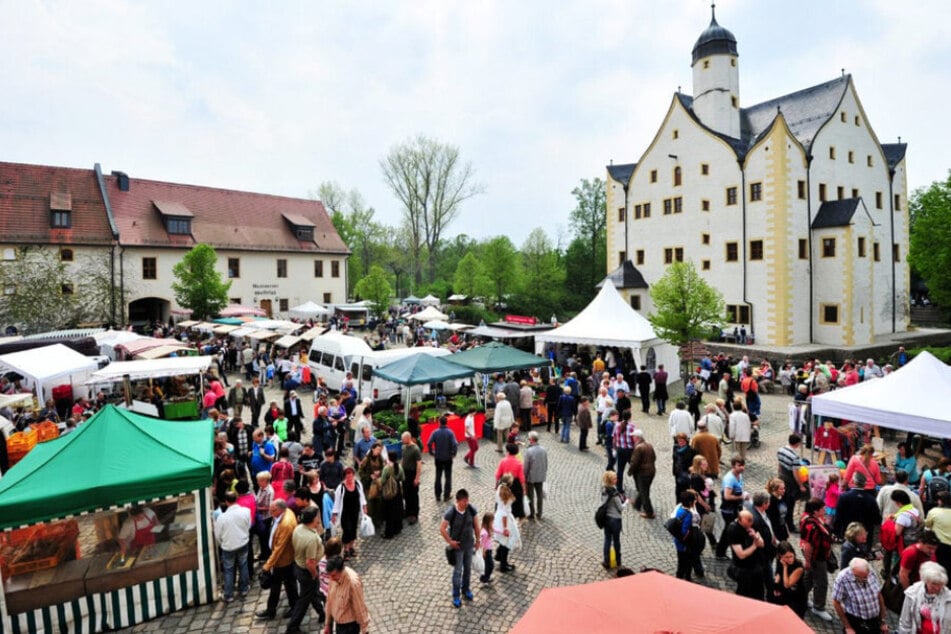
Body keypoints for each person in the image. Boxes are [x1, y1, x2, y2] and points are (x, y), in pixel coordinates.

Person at [256, 499, 300, 620]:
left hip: (284, 560)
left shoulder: (285, 524)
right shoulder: (284, 513)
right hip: (282, 559)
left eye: (273, 510)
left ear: (281, 509)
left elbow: (279, 549)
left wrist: (267, 565)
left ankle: (291, 607)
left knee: (287, 585)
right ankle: (272, 610)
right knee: (282, 585)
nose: (270, 512)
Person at [286, 506, 325, 633]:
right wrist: (314, 574)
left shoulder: (298, 529)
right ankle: (292, 627)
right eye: (317, 517)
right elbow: (310, 562)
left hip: (298, 566)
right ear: (313, 520)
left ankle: (321, 612)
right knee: (303, 600)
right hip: (307, 572)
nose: (319, 519)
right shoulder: (311, 538)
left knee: (313, 592)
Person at [440, 489, 480, 608]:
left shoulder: (471, 510)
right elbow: (442, 528)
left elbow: (476, 526)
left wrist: (478, 540)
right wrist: (450, 541)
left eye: (467, 500)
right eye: (464, 500)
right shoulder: (451, 512)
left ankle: (466, 589)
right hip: (458, 547)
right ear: (458, 501)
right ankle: (456, 595)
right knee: (458, 571)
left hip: (469, 545)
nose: (466, 502)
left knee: (467, 569)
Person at [800, 498, 836, 622]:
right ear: (815, 511)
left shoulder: (816, 519)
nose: (825, 510)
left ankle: (801, 597)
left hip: (819, 556)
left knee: (809, 578)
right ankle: (818, 607)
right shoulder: (811, 525)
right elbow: (808, 545)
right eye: (822, 508)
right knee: (821, 583)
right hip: (817, 558)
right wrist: (808, 561)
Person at [832, 558, 888, 634]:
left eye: (865, 577)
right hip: (856, 621)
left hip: (874, 621)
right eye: (858, 577)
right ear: (852, 571)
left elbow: (879, 596)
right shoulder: (842, 578)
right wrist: (848, 627)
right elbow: (836, 602)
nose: (862, 580)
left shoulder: (871, 572)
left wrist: (883, 621)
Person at [213, 492, 252, 603]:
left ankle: (229, 595)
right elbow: (248, 526)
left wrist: (222, 544)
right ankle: (244, 589)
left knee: (229, 570)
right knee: (243, 565)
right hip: (243, 542)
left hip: (228, 546)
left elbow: (217, 535)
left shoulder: (222, 518)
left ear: (226, 501)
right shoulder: (246, 511)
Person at [898, 560, 951, 634]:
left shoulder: (948, 596)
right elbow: (905, 621)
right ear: (925, 581)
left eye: (940, 584)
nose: (937, 588)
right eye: (934, 584)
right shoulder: (913, 593)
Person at [725, 509, 766, 600]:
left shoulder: (752, 524)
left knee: (759, 595)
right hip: (743, 569)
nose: (750, 524)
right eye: (748, 522)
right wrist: (755, 545)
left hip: (756, 565)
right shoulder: (733, 529)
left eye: (751, 521)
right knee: (744, 595)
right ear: (740, 520)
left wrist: (755, 536)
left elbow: (762, 544)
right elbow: (741, 555)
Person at [322, 556, 370, 634]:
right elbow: (329, 601)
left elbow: (359, 608)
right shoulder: (333, 578)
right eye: (329, 575)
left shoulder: (353, 584)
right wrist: (327, 624)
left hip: (350, 628)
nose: (331, 578)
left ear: (341, 571)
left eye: (333, 575)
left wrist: (365, 630)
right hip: (339, 625)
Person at [331, 467, 368, 559]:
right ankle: (346, 550)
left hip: (355, 511)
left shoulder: (358, 484)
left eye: (351, 476)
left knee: (354, 529)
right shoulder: (341, 488)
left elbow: (362, 496)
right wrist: (334, 514)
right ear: (345, 477)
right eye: (348, 476)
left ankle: (351, 547)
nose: (350, 478)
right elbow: (337, 502)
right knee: (346, 530)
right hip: (345, 512)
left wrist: (364, 507)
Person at [716, 457, 746, 560]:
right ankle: (720, 552)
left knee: (730, 530)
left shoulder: (739, 475)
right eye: (739, 465)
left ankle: (723, 550)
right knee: (729, 530)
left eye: (743, 465)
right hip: (728, 510)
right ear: (733, 466)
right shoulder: (729, 479)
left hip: (736, 507)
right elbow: (727, 496)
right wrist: (741, 497)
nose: (742, 467)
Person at [777, 434, 806, 535]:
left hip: (782, 478)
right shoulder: (795, 457)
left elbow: (779, 464)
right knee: (790, 505)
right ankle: (790, 526)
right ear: (797, 443)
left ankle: (781, 520)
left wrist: (779, 476)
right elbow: (795, 474)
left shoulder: (780, 450)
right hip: (790, 483)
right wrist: (801, 485)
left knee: (782, 501)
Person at [493, 478, 522, 573]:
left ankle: (499, 556)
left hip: (498, 517)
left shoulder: (500, 489)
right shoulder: (506, 496)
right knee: (506, 543)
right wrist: (505, 528)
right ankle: (503, 565)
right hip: (504, 521)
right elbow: (505, 515)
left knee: (503, 541)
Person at [428, 415, 458, 502]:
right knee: (448, 477)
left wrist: (431, 452)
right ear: (446, 422)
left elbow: (429, 443)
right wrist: (454, 453)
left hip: (438, 458)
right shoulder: (450, 432)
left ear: (439, 422)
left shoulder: (435, 432)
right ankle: (446, 495)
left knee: (438, 476)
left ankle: (437, 495)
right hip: (448, 458)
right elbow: (455, 444)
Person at [774, 541, 808, 618]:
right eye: (786, 557)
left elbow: (787, 584)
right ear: (780, 556)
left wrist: (785, 567)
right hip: (784, 595)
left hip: (797, 598)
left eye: (791, 556)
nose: (790, 559)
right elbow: (777, 575)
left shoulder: (798, 566)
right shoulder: (780, 561)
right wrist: (776, 588)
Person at [672, 490, 700, 581]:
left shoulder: (680, 509)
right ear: (690, 502)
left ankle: (680, 576)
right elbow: (684, 531)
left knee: (681, 561)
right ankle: (685, 578)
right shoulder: (688, 515)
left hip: (678, 541)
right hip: (684, 544)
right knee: (686, 562)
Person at [600, 470, 626, 569]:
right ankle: (618, 562)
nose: (617, 479)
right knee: (616, 541)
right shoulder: (615, 494)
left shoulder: (604, 490)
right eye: (615, 478)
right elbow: (620, 508)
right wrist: (626, 502)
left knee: (607, 539)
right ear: (611, 481)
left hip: (607, 519)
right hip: (615, 521)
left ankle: (606, 561)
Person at [628, 429, 656, 519]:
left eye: (633, 436)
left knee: (644, 492)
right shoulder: (649, 445)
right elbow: (654, 457)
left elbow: (634, 462)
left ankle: (649, 512)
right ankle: (637, 504)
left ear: (637, 437)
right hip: (651, 471)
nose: (632, 438)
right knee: (643, 489)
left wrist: (630, 471)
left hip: (643, 473)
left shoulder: (638, 448)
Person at [378, 450, 404, 539]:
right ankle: (398, 528)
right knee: (397, 510)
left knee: (389, 513)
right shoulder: (399, 467)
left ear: (389, 457)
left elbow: (382, 481)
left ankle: (389, 533)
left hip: (389, 493)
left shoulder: (386, 468)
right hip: (397, 492)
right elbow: (402, 478)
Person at [523, 431, 548, 521]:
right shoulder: (543, 450)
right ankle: (540, 513)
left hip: (531, 478)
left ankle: (531, 513)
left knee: (530, 496)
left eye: (529, 438)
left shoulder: (529, 451)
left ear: (532, 440)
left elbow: (526, 467)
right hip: (541, 476)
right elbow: (546, 464)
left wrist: (524, 478)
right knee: (540, 495)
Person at [400, 432, 422, 525]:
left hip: (412, 473)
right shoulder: (403, 447)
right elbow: (403, 459)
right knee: (406, 493)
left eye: (403, 439)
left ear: (408, 438)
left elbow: (419, 464)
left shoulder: (415, 449)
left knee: (413, 494)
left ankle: (414, 514)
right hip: (405, 473)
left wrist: (417, 478)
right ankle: (408, 511)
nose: (401, 441)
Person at [926, 491, 951, 573]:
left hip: (940, 545)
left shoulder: (934, 512)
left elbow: (928, 525)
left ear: (940, 501)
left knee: (939, 569)